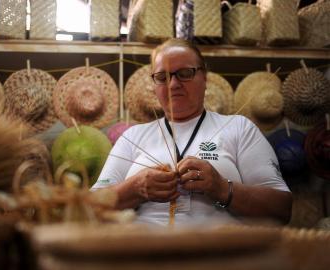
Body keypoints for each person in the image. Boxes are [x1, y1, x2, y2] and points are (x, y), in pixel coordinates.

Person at [92, 38, 292, 226]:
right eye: (162, 77)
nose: (173, 84)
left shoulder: (239, 128)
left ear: (205, 77)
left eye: (185, 73)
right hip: (145, 258)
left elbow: (282, 209)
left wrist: (221, 188)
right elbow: (89, 209)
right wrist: (134, 189)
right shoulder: (132, 137)